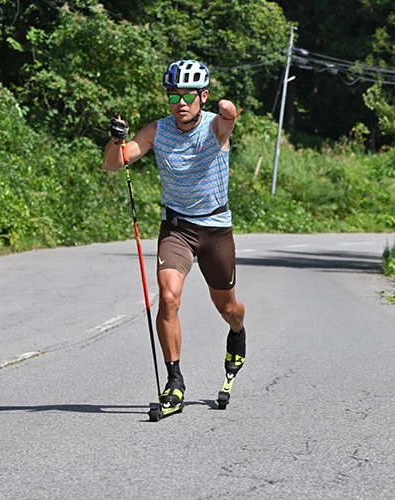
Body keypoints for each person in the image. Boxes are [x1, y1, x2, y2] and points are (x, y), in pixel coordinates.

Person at [103, 59, 246, 411]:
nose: (181, 103)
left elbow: (227, 118)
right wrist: (115, 140)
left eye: (188, 96)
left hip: (215, 229)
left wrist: (227, 110)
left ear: (203, 97)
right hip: (178, 228)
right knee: (167, 299)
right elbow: (114, 163)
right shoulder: (157, 131)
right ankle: (174, 381)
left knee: (227, 307)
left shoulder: (215, 128)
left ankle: (239, 333)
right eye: (173, 96)